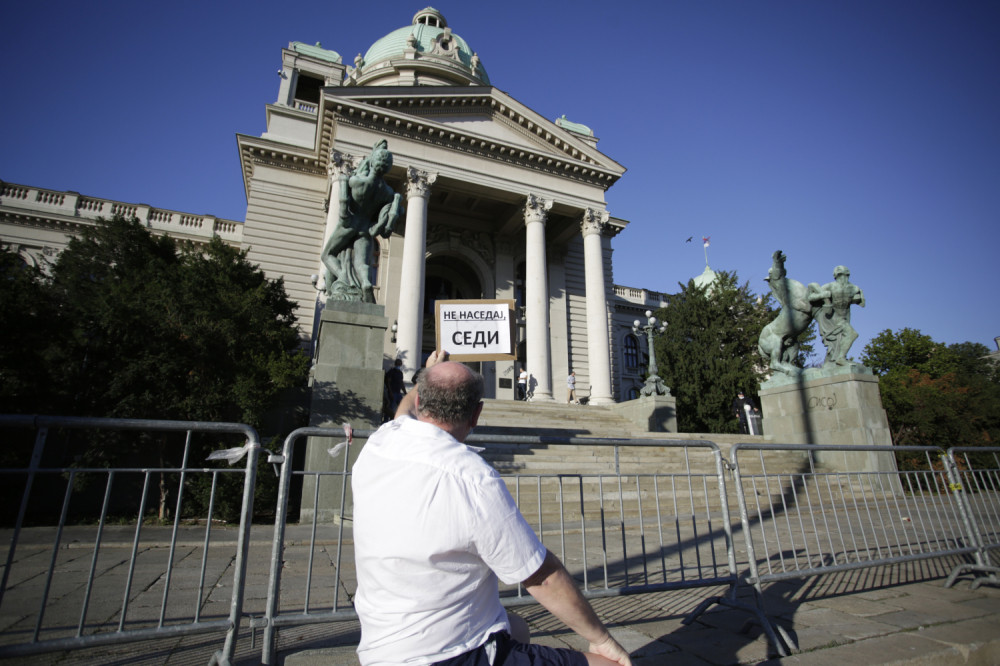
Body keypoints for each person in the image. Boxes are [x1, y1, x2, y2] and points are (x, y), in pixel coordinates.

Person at [352, 352, 632, 666]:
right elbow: (543, 578)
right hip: (447, 655)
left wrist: (426, 374)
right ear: (476, 414)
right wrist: (603, 640)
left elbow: (403, 411)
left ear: (420, 402)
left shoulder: (382, 440)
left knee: (517, 628)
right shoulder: (472, 478)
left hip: (379, 649)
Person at [807, 266, 866, 366]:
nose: (843, 278)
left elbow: (861, 304)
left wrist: (857, 298)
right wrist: (822, 295)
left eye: (845, 275)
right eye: (841, 276)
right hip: (831, 316)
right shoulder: (830, 286)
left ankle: (835, 360)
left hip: (844, 316)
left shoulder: (854, 288)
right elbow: (811, 297)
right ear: (837, 276)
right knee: (852, 334)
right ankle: (841, 358)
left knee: (841, 339)